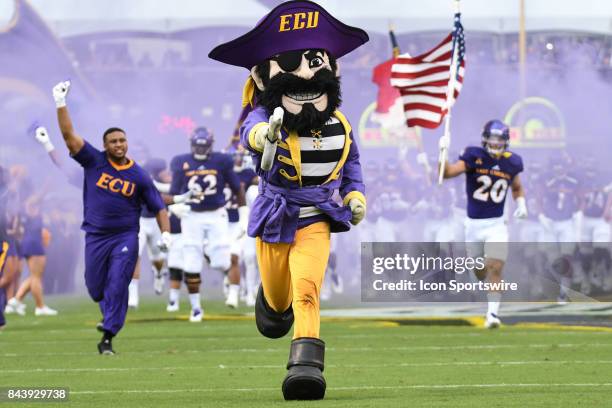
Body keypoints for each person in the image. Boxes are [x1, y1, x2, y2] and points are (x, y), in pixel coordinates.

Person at [209, 0, 368, 400]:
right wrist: (263, 136)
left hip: (315, 217)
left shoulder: (341, 123)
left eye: (314, 62)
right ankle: (272, 301)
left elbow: (352, 161)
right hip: (276, 217)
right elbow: (252, 128)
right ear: (262, 78)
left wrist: (354, 193)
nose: (305, 74)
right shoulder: (265, 115)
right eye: (292, 63)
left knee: (308, 288)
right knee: (279, 303)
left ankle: (306, 367)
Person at [52, 80, 171, 355]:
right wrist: (60, 102)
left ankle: (108, 333)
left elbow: (158, 207)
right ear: (105, 145)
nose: (119, 145)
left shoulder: (139, 175)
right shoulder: (94, 160)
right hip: (95, 236)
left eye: (122, 140)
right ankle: (107, 318)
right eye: (113, 141)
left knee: (119, 281)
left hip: (125, 236)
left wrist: (165, 234)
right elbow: (69, 136)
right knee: (95, 289)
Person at [440, 119, 527, 328]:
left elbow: (516, 187)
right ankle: (479, 280)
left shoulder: (512, 162)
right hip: (473, 225)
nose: (496, 144)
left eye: (500, 140)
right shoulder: (474, 156)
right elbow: (447, 173)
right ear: (485, 139)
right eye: (493, 139)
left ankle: (492, 315)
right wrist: (442, 152)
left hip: (497, 224)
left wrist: (522, 203)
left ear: (506, 141)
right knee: (479, 270)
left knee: (495, 267)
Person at [168, 127, 246, 321]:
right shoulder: (180, 161)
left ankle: (224, 275)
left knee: (221, 261)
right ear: (191, 144)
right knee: (191, 263)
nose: (200, 150)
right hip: (192, 216)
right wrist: (174, 207)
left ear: (211, 145)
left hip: (216, 215)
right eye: (197, 146)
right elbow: (173, 192)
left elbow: (238, 189)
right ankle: (196, 308)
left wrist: (244, 216)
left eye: (204, 146)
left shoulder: (222, 160)